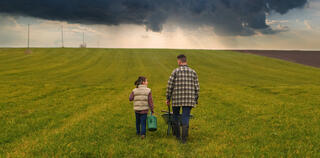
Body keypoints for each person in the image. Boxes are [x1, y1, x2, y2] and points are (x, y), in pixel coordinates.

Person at [166, 54, 200, 143]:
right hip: (189, 99)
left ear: (180, 61)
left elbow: (170, 85)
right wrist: (195, 99)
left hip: (176, 99)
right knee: (185, 117)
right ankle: (184, 139)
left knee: (175, 116)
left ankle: (177, 137)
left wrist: (168, 97)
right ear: (186, 61)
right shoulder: (193, 72)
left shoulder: (175, 71)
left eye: (178, 61)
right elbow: (197, 88)